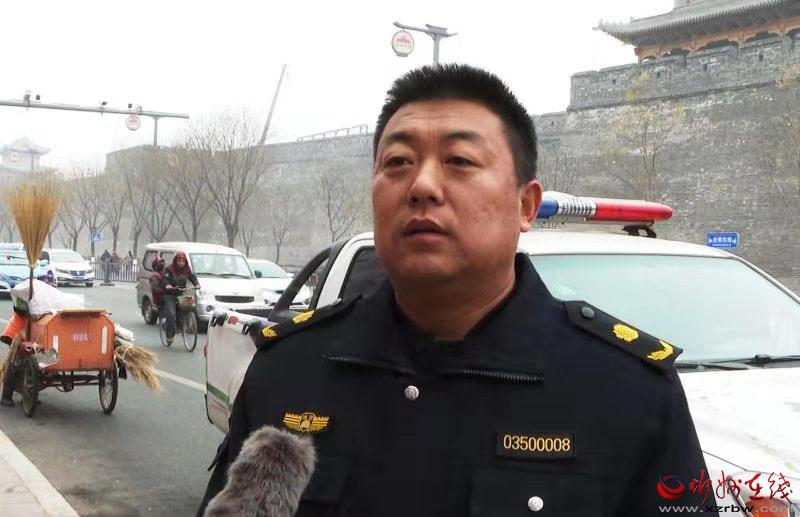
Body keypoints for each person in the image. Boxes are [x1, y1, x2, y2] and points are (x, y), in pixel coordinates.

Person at [198, 65, 713, 516]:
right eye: (397, 162)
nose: (421, 185)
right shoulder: (290, 371)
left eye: (460, 161)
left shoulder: (629, 394)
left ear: (525, 206)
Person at [163, 252, 199, 345]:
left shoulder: (187, 269)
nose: (181, 263)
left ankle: (180, 326)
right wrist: (167, 285)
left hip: (181, 294)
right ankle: (169, 336)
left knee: (187, 309)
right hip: (169, 295)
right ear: (176, 261)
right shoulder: (169, 269)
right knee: (171, 314)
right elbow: (165, 279)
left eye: (183, 261)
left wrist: (196, 284)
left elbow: (192, 277)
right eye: (179, 260)